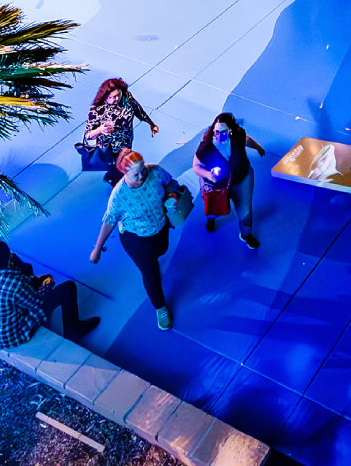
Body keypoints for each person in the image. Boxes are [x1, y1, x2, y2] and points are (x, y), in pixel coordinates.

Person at [89, 148, 188, 330]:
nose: (142, 175)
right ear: (124, 172)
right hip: (137, 241)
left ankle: (153, 268)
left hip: (160, 228)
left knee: (161, 251)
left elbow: (170, 182)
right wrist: (97, 248)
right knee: (150, 274)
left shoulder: (155, 171)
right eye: (136, 174)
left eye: (143, 169)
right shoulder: (119, 195)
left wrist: (172, 194)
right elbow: (109, 221)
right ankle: (160, 308)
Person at [0, 239, 98, 347]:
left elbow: (15, 283)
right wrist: (47, 285)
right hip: (11, 335)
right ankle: (73, 330)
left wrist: (36, 280)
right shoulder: (15, 285)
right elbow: (36, 302)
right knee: (68, 288)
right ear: (7, 258)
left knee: (28, 271)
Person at [193, 112, 266, 250]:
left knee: (245, 211)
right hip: (216, 185)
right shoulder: (206, 147)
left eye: (223, 132)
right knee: (213, 209)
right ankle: (211, 219)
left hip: (241, 179)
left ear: (231, 131)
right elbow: (196, 166)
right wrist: (208, 175)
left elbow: (247, 140)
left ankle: (246, 235)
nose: (219, 136)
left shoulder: (238, 136)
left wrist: (258, 147)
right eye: (216, 132)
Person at [80, 78, 159, 182]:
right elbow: (88, 135)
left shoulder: (126, 97)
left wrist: (151, 124)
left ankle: (114, 177)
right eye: (112, 97)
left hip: (126, 141)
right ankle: (116, 180)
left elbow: (138, 110)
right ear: (105, 96)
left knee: (123, 166)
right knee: (117, 166)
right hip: (109, 146)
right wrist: (100, 130)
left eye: (118, 95)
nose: (116, 99)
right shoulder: (96, 110)